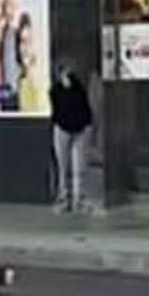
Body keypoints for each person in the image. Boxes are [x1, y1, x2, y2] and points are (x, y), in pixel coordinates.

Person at [49, 62, 93, 212]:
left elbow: (84, 107)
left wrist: (87, 126)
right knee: (63, 167)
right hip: (62, 128)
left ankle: (79, 198)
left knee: (79, 168)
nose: (67, 75)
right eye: (64, 72)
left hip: (80, 129)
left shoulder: (79, 87)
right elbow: (56, 108)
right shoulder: (55, 90)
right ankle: (64, 199)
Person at [14, 15, 48, 114]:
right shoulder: (21, 76)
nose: (25, 48)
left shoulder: (37, 78)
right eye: (22, 41)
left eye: (29, 42)